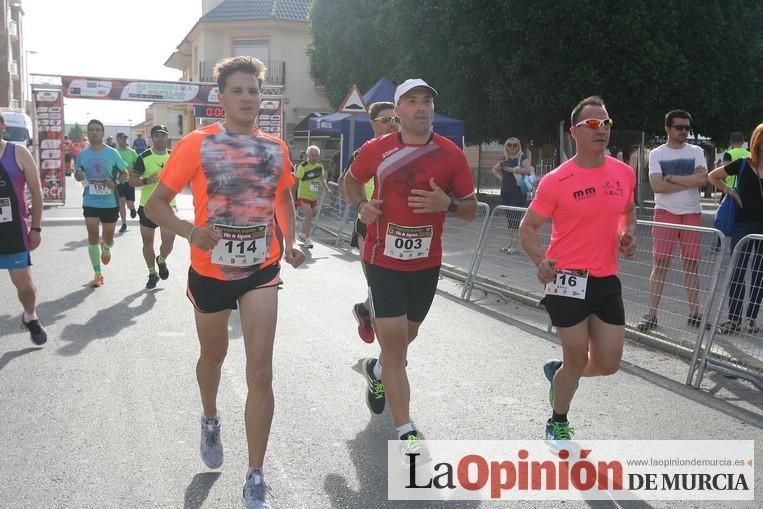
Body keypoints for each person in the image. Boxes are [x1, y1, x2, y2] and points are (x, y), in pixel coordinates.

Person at [145, 55, 304, 509]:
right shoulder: (197, 144)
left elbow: (284, 198)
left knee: (261, 369)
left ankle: (255, 473)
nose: (248, 97)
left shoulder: (276, 147)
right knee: (213, 357)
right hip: (211, 270)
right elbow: (157, 205)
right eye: (238, 90)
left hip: (262, 269)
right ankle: (210, 417)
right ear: (221, 98)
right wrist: (189, 232)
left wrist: (292, 241)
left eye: (254, 90)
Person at [344, 78, 477, 458]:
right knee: (398, 350)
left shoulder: (451, 155)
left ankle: (377, 372)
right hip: (381, 259)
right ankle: (405, 429)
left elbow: (470, 210)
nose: (421, 107)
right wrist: (360, 207)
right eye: (412, 101)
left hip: (425, 263)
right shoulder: (377, 149)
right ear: (398, 111)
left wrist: (446, 203)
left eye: (427, 102)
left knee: (404, 341)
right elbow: (349, 182)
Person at [519, 96, 637, 442]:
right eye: (593, 125)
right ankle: (558, 419)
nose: (602, 130)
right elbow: (528, 228)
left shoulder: (623, 172)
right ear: (575, 132)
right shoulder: (557, 180)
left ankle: (560, 375)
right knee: (576, 355)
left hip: (605, 279)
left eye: (606, 124)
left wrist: (627, 234)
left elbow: (627, 211)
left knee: (609, 363)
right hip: (566, 279)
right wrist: (540, 259)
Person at [637, 110, 708, 332]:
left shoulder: (696, 151)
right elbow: (657, 186)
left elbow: (703, 180)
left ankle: (695, 313)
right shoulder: (657, 154)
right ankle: (652, 314)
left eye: (687, 128)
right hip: (665, 212)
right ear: (668, 128)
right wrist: (689, 181)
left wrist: (672, 178)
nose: (684, 132)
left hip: (691, 212)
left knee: (691, 264)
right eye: (679, 127)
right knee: (661, 263)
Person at [338, 101, 399, 344]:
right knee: (378, 286)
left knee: (390, 288)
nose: (391, 125)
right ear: (373, 123)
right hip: (369, 227)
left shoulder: (404, 151)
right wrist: (361, 205)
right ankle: (389, 358)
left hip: (397, 229)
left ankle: (365, 310)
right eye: (386, 120)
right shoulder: (365, 151)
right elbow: (345, 182)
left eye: (395, 120)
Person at [707, 123, 763, 334]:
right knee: (738, 271)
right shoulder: (742, 164)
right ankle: (733, 318)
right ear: (757, 140)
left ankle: (750, 319)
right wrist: (731, 192)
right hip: (743, 224)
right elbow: (712, 176)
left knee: (759, 274)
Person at [0, 113, 47, 344]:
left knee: (24, 285)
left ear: (2, 127)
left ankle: (30, 315)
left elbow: (37, 192)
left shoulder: (17, 153)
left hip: (13, 232)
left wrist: (36, 227)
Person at [73, 119, 128, 288]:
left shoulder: (112, 153)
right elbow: (77, 174)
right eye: (91, 130)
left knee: (108, 238)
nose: (94, 132)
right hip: (90, 200)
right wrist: (79, 176)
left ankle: (106, 248)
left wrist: (115, 183)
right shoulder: (82, 154)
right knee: (92, 237)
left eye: (98, 130)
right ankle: (98, 274)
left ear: (103, 133)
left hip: (109, 202)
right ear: (87, 133)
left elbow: (124, 173)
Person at [129, 125, 176, 289]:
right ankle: (151, 273)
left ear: (167, 137)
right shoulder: (144, 157)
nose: (160, 138)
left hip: (168, 205)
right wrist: (146, 180)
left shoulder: (174, 156)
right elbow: (131, 180)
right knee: (148, 241)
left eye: (162, 135)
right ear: (152, 138)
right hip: (147, 206)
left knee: (169, 241)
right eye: (156, 135)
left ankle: (161, 260)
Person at [491, 136, 533, 254]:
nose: (512, 147)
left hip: (518, 192)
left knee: (515, 218)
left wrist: (513, 170)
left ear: (518, 146)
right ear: (506, 146)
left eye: (515, 145)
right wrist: (502, 179)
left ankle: (515, 246)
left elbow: (528, 170)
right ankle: (511, 244)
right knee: (510, 219)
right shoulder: (504, 159)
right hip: (505, 192)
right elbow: (494, 169)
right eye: (509, 145)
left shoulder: (522, 158)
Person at [293, 145, 331, 248]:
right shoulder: (302, 166)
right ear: (308, 155)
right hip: (303, 195)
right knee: (309, 215)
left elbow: (321, 180)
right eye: (312, 155)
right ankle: (308, 239)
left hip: (313, 196)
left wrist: (327, 189)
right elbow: (295, 181)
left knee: (309, 217)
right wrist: (293, 196)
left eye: (316, 155)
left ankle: (302, 234)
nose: (314, 157)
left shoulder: (319, 166)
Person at [115, 132, 139, 233]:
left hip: (130, 182)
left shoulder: (132, 152)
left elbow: (139, 165)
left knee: (129, 203)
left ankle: (132, 208)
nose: (123, 140)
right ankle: (124, 224)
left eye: (125, 139)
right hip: (119, 181)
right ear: (117, 140)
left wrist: (135, 174)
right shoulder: (115, 152)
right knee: (122, 202)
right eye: (121, 139)